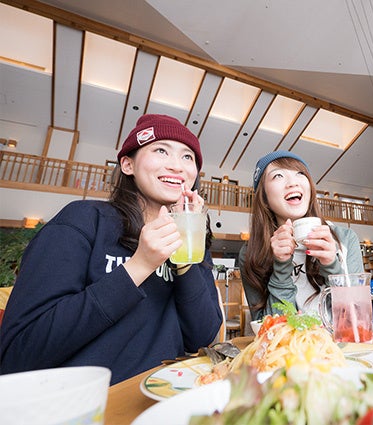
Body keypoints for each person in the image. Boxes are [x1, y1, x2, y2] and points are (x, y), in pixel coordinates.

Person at [0, 114, 222, 384]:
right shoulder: (83, 220)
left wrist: (185, 252)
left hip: (161, 401)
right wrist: (139, 266)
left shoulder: (191, 242)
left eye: (188, 157)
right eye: (161, 150)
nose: (177, 166)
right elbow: (19, 354)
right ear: (127, 164)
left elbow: (201, 336)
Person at [239, 151, 363, 319]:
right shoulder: (251, 253)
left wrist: (331, 264)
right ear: (264, 197)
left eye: (300, 174)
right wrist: (281, 266)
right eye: (278, 176)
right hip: (289, 345)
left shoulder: (345, 238)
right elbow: (265, 327)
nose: (293, 183)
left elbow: (357, 317)